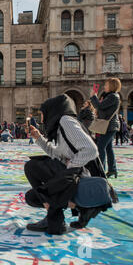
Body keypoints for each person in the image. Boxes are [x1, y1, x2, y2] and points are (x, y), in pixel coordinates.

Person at [24, 94, 100, 235]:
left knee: (32, 166)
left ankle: (55, 219)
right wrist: (38, 138)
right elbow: (56, 155)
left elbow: (91, 150)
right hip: (69, 177)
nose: (41, 117)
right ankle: (77, 208)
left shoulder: (66, 121)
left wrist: (71, 167)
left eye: (42, 113)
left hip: (76, 178)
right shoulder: (60, 127)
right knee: (32, 197)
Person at [90, 77, 121, 179]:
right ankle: (112, 170)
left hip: (109, 126)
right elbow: (102, 108)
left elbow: (100, 106)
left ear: (112, 86)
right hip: (110, 126)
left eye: (106, 85)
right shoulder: (111, 96)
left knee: (100, 147)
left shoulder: (113, 97)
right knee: (108, 148)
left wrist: (93, 96)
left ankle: (101, 170)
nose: (104, 87)